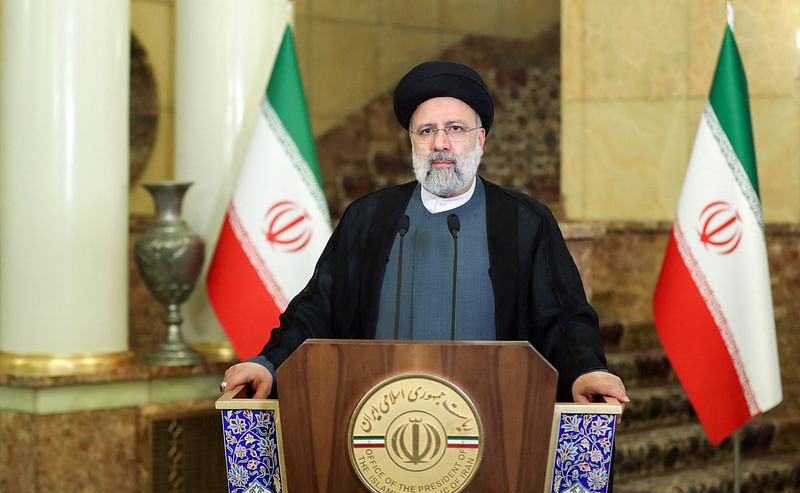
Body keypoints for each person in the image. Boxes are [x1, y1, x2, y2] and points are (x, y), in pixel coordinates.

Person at [221, 61, 629, 410]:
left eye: (455, 128)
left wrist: (586, 369)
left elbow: (564, 316)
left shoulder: (524, 221)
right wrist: (269, 363)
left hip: (495, 427)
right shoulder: (370, 218)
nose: (440, 143)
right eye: (426, 130)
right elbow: (317, 309)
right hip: (377, 425)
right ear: (412, 142)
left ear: (480, 140)